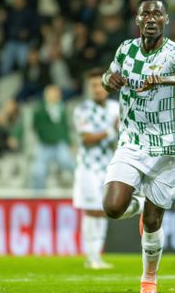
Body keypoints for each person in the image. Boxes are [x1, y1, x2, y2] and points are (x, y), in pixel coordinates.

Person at [100, 0, 175, 293]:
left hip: (165, 147)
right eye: (146, 14)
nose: (151, 19)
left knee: (153, 224)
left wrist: (162, 80)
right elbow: (108, 77)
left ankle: (149, 278)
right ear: (138, 20)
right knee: (112, 207)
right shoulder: (126, 50)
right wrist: (108, 80)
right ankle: (138, 202)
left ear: (166, 20)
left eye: (157, 14)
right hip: (131, 140)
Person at [73, 69, 119, 269]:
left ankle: (95, 256)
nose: (97, 89)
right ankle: (92, 256)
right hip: (89, 168)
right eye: (93, 86)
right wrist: (111, 130)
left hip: (109, 167)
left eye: (100, 84)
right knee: (93, 211)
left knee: (104, 210)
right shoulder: (83, 110)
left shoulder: (116, 108)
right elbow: (86, 139)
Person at [29, 85, 75, 190]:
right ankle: (38, 197)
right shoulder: (39, 110)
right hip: (44, 145)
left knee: (69, 163)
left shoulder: (62, 109)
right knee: (38, 171)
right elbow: (34, 126)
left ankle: (81, 188)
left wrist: (69, 142)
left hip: (59, 144)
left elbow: (65, 127)